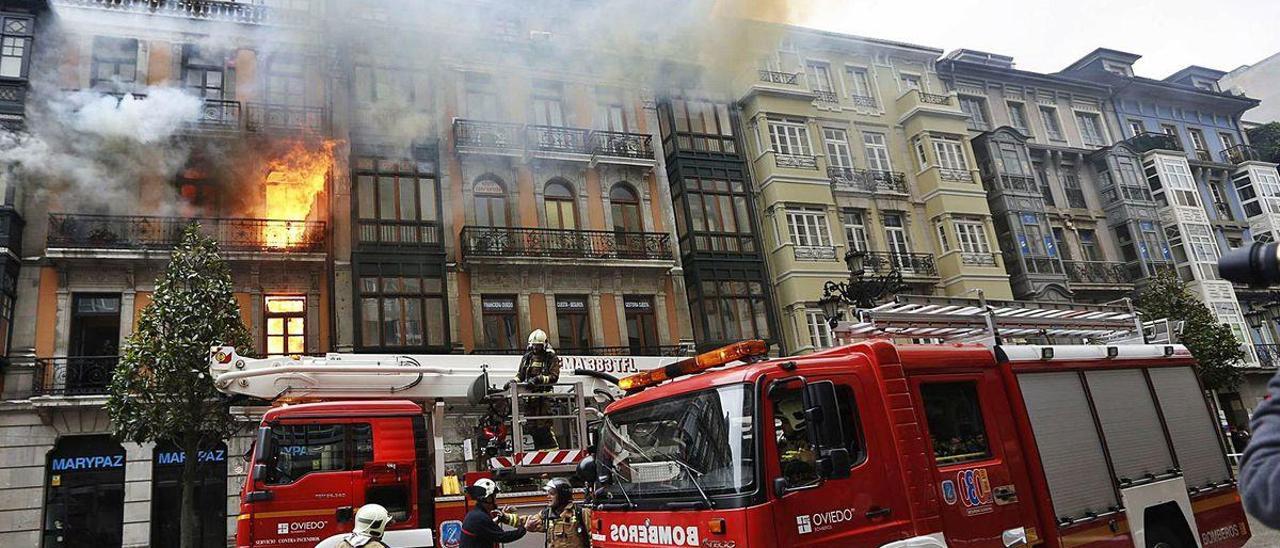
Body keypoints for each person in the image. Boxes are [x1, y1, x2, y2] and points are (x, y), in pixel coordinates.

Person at [517, 329, 562, 450]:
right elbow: (520, 375)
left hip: (544, 399)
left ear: (544, 344)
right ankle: (540, 450)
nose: (536, 348)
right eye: (534, 345)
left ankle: (552, 451)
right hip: (530, 399)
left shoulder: (550, 357)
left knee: (544, 427)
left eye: (538, 345)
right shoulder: (527, 357)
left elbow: (554, 377)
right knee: (532, 427)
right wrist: (513, 381)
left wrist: (539, 379)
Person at [461, 478, 534, 548]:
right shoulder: (479, 518)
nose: (496, 500)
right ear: (488, 499)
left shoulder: (476, 513)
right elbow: (502, 537)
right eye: (494, 497)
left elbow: (487, 528)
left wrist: (499, 518)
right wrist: (524, 529)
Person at [525, 478, 589, 548]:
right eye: (548, 493)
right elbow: (527, 520)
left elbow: (594, 538)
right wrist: (526, 525)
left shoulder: (580, 513)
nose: (548, 497)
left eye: (552, 494)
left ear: (562, 495)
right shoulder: (547, 514)